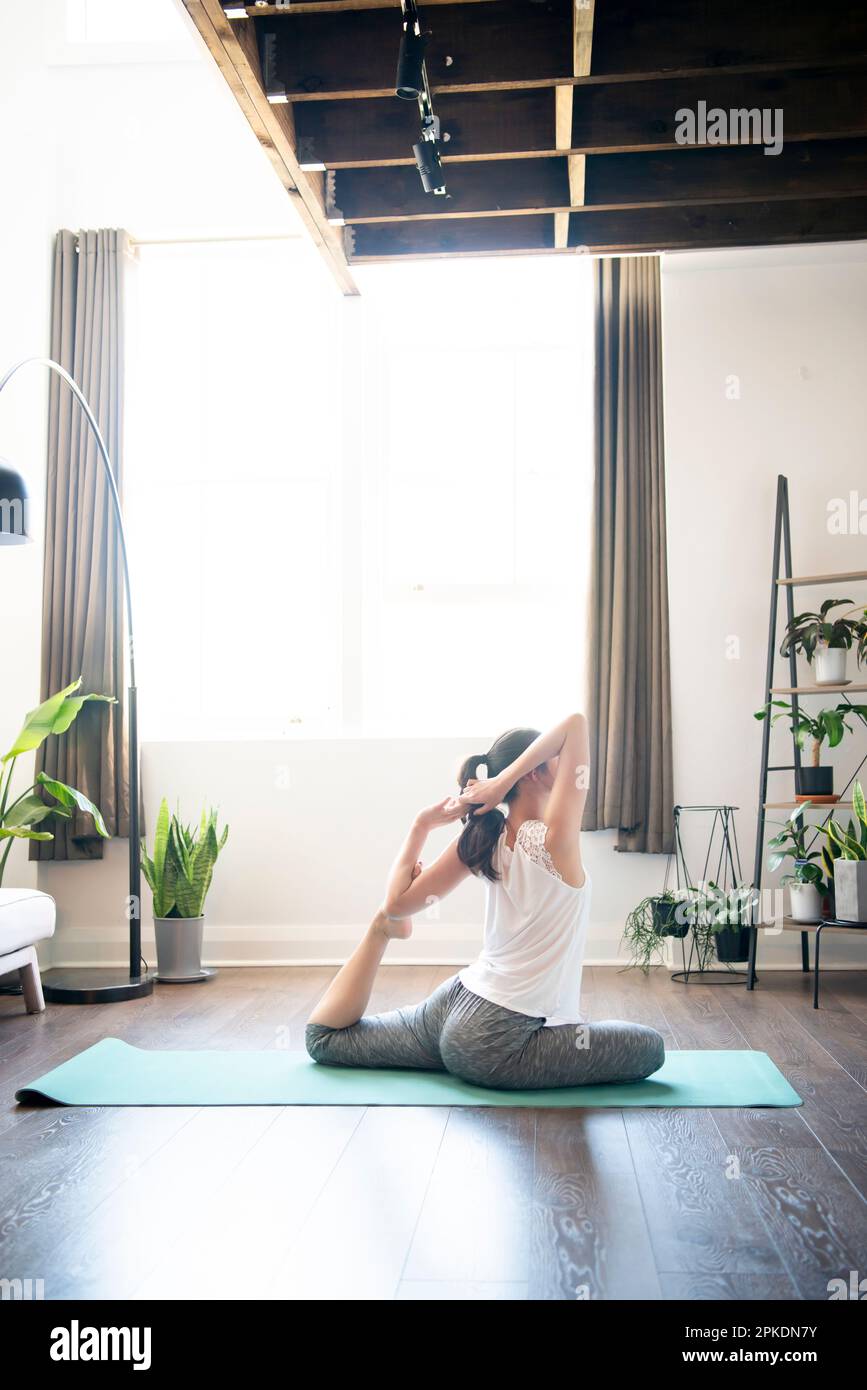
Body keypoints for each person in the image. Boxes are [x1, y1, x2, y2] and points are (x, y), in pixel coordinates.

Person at [306, 714, 665, 1090]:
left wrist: (420, 826)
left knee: (325, 1041)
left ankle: (378, 933)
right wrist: (502, 782)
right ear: (534, 773)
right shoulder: (554, 843)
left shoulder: (485, 836)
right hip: (497, 1041)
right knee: (649, 1048)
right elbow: (576, 723)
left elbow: (397, 904)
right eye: (553, 757)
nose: (563, 762)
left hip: (452, 1005)